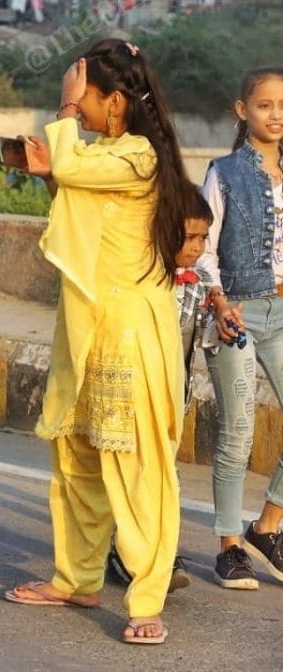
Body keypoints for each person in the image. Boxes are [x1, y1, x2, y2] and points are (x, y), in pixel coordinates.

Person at [4, 40, 190, 646]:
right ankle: (77, 578)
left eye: (83, 99)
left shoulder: (139, 157)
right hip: (86, 323)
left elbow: (72, 168)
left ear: (115, 101)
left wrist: (59, 116)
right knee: (77, 457)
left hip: (130, 333)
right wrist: (49, 165)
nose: (76, 110)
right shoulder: (107, 153)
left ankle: (146, 598)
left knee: (138, 468)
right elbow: (71, 190)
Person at [197, 66, 283, 590]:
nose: (276, 115)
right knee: (239, 431)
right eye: (266, 105)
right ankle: (230, 545)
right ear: (242, 110)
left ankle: (268, 526)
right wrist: (220, 302)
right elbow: (203, 247)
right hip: (237, 314)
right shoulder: (224, 172)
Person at [106, 185, 214, 593]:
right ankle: (128, 553)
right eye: (188, 237)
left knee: (163, 474)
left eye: (203, 238)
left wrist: (223, 320)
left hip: (173, 397)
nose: (196, 247)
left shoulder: (200, 282)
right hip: (134, 393)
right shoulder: (141, 278)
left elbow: (197, 337)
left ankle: (158, 550)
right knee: (132, 474)